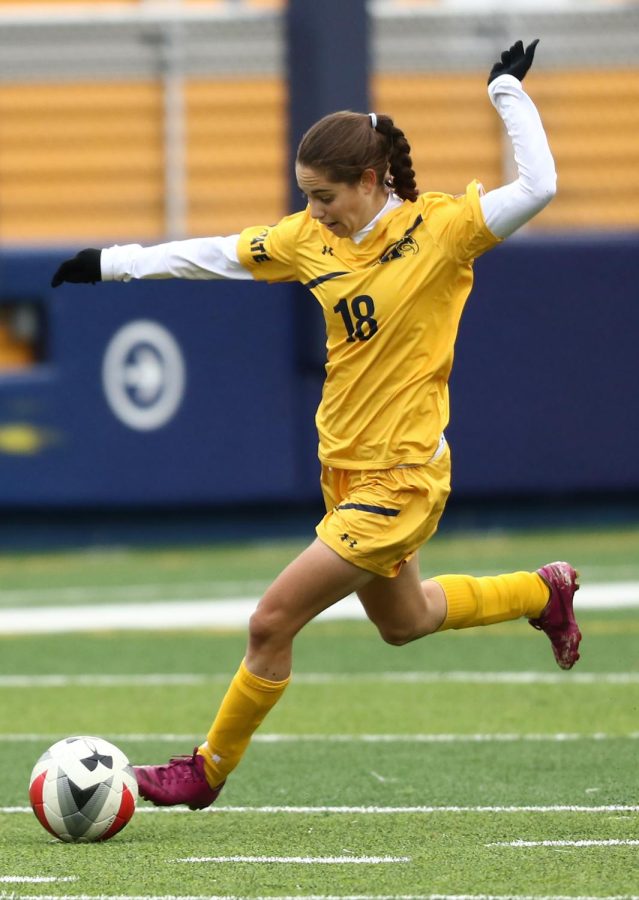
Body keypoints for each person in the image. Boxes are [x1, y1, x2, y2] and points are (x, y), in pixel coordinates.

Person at [52, 40, 581, 811]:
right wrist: (113, 263)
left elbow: (540, 183)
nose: (311, 211)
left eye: (324, 195)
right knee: (407, 621)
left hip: (400, 480)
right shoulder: (311, 241)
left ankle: (205, 770)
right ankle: (541, 592)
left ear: (368, 181)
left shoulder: (443, 232)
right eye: (305, 196)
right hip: (344, 473)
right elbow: (215, 256)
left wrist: (503, 88)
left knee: (270, 622)